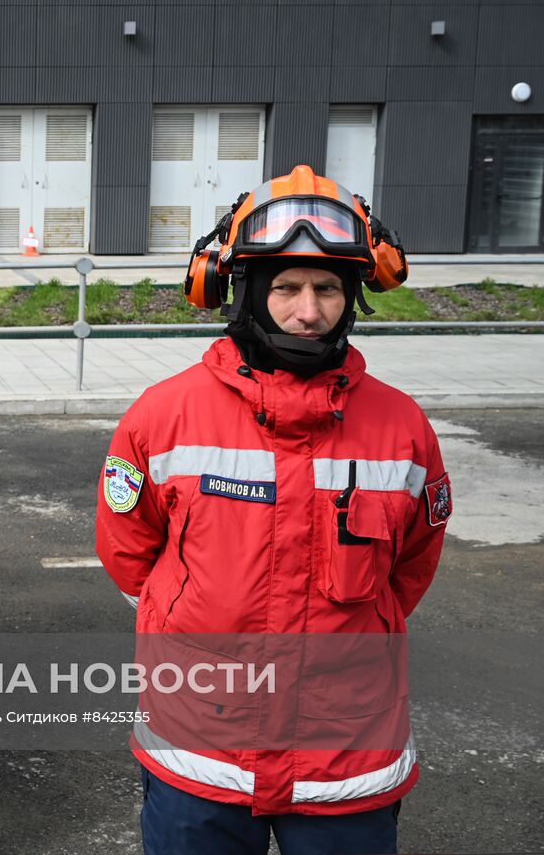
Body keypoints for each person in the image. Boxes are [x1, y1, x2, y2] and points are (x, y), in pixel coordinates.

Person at [94, 166, 452, 854]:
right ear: (247, 292)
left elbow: (409, 570)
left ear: (353, 297)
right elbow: (131, 555)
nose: (309, 311)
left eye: (327, 288)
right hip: (200, 754)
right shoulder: (163, 416)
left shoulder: (404, 428)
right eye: (287, 287)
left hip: (346, 762)